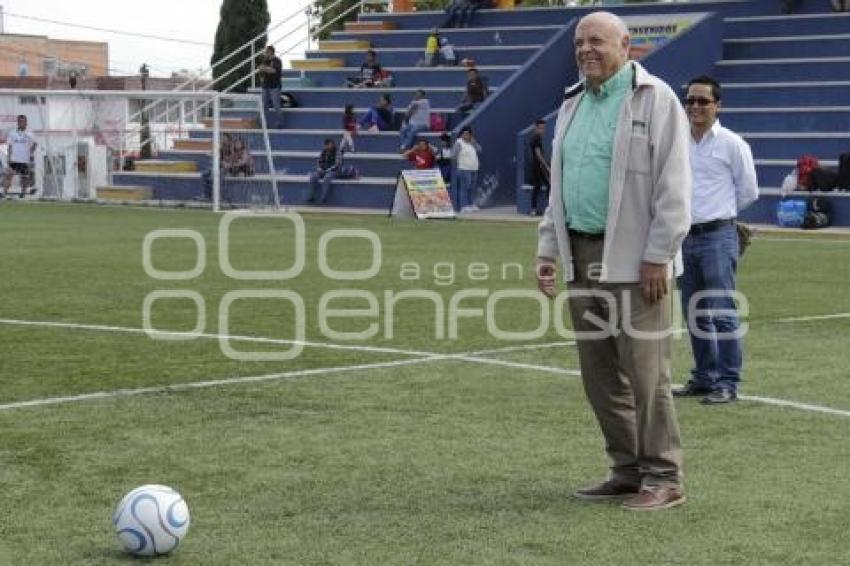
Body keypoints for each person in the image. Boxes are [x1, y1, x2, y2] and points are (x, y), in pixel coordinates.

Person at [535, 11, 691, 511]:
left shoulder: (657, 99)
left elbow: (674, 189)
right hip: (580, 254)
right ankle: (626, 470)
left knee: (647, 375)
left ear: (626, 45)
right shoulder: (572, 103)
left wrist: (658, 256)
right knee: (600, 376)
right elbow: (559, 186)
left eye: (597, 41)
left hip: (636, 260)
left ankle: (664, 477)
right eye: (580, 42)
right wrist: (548, 250)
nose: (585, 50)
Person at [673, 76, 758, 405]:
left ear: (717, 105)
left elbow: (748, 191)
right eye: (690, 100)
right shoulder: (676, 141)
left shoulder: (733, 144)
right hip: (684, 237)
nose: (695, 106)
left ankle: (728, 381)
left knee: (722, 310)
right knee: (693, 311)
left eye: (702, 101)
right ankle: (704, 377)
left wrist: (720, 214)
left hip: (718, 236)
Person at [2, 115, 38, 198]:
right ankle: (4, 193)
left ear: (26, 122)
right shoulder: (12, 133)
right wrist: (8, 158)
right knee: (9, 175)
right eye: (20, 121)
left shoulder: (30, 133)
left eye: (23, 121)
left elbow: (35, 143)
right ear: (17, 122)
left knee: (24, 177)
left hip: (24, 159)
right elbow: (9, 146)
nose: (21, 123)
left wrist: (31, 153)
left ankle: (23, 193)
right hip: (14, 159)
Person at [451, 125, 481, 212]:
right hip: (464, 169)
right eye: (464, 134)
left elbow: (479, 150)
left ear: (471, 135)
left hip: (474, 169)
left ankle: (471, 204)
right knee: (464, 188)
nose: (466, 136)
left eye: (468, 134)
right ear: (461, 134)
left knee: (472, 188)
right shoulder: (458, 143)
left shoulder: (472, 143)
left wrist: (474, 142)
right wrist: (458, 165)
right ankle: (464, 206)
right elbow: (453, 155)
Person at [527, 119, 550, 216]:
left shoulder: (536, 138)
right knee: (549, 185)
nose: (543, 130)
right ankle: (549, 209)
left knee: (537, 187)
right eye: (541, 128)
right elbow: (538, 154)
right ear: (536, 128)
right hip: (538, 167)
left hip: (536, 166)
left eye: (544, 128)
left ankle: (533, 210)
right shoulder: (536, 138)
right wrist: (546, 166)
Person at [307, 138, 340, 204]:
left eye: (331, 144)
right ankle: (311, 197)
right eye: (328, 145)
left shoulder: (337, 152)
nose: (329, 146)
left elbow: (337, 164)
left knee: (327, 178)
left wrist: (328, 170)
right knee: (313, 176)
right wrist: (319, 168)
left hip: (333, 171)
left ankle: (323, 197)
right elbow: (319, 161)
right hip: (322, 170)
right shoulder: (323, 151)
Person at [259, 45, 283, 129]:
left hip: (275, 87)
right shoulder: (265, 61)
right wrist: (265, 69)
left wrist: (265, 69)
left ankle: (279, 123)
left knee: (276, 105)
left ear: (270, 52)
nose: (265, 53)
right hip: (265, 86)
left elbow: (273, 71)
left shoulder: (277, 61)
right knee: (264, 106)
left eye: (266, 52)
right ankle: (266, 123)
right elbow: (261, 70)